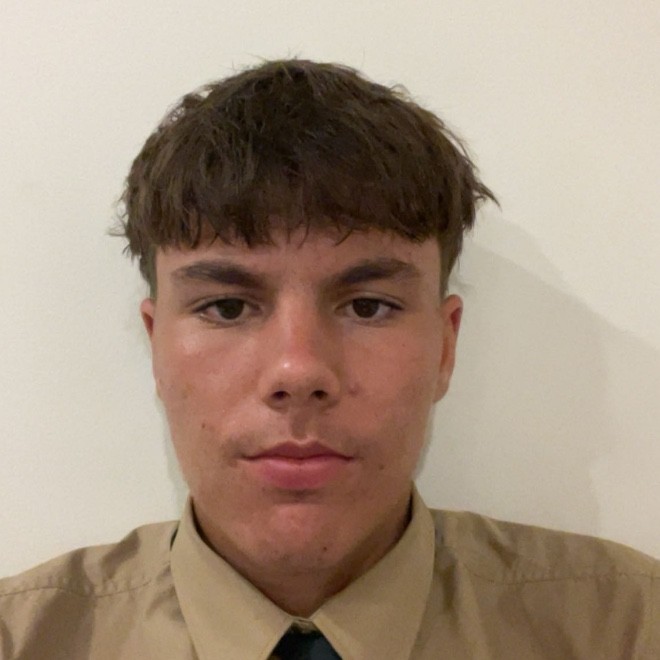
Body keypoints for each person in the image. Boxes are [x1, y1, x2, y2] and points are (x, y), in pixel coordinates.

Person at [0, 59, 657, 660]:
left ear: (445, 346)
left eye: (368, 306)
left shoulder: (628, 629)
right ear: (156, 346)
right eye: (226, 307)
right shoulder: (23, 639)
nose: (298, 370)